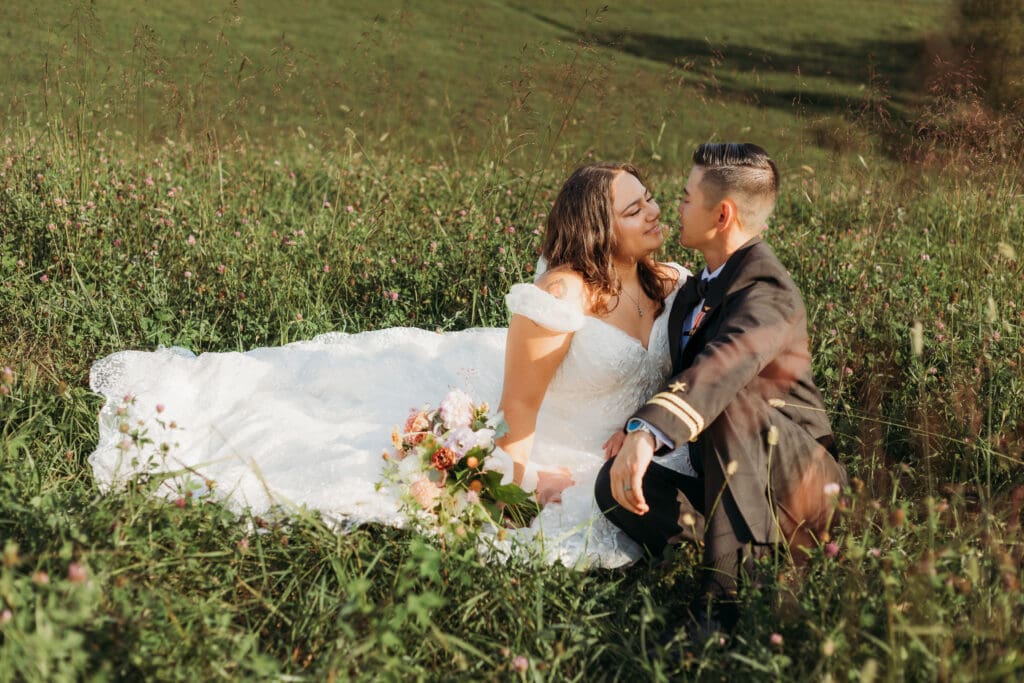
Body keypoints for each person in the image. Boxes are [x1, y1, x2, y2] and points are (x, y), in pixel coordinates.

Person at [88, 161, 694, 568]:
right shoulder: (561, 297)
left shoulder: (667, 282)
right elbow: (519, 411)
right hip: (549, 436)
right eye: (634, 209)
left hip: (626, 440)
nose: (654, 213)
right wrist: (527, 483)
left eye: (650, 201)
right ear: (597, 228)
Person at [595, 143, 847, 633]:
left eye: (686, 197)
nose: (675, 207)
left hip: (801, 486)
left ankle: (725, 607)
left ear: (722, 213)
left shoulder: (768, 289)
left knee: (735, 401)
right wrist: (629, 433)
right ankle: (724, 551)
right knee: (613, 483)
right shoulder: (694, 289)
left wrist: (647, 432)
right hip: (729, 477)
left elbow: (720, 369)